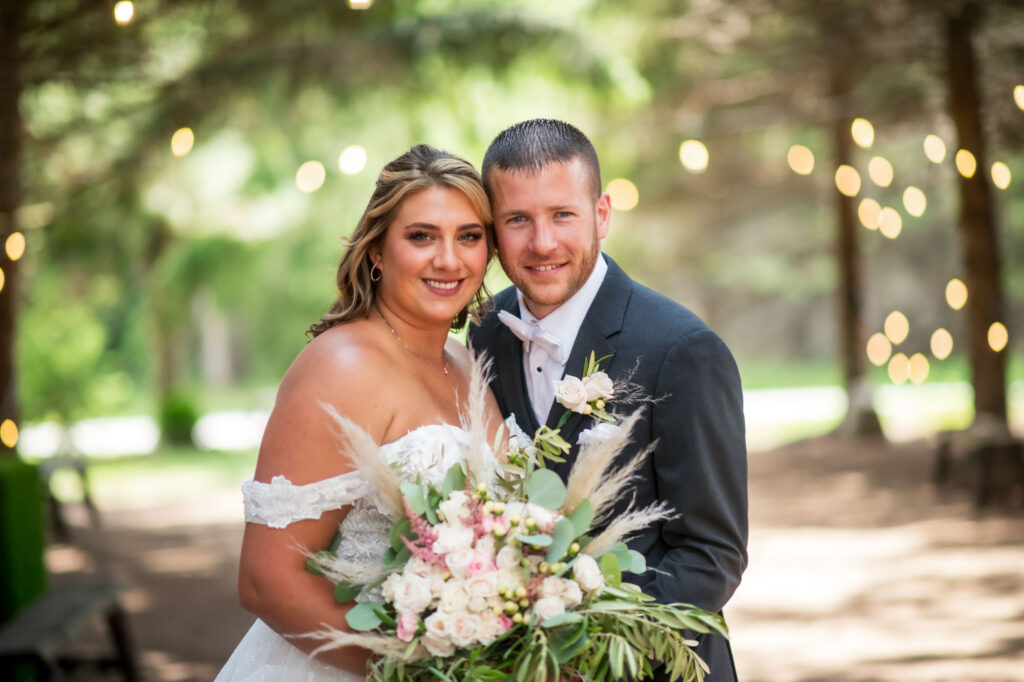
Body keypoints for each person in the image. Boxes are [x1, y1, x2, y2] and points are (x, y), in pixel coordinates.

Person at [468, 119, 748, 682]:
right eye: (518, 219)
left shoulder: (682, 350)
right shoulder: (483, 334)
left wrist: (585, 646)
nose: (542, 243)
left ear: (601, 214)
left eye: (562, 215)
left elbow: (712, 554)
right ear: (494, 232)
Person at [215, 144, 503, 681]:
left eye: (469, 236)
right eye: (421, 236)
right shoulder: (342, 365)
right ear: (376, 252)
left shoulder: (465, 365)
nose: (449, 258)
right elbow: (266, 579)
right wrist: (416, 671)